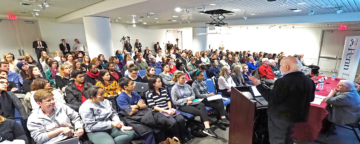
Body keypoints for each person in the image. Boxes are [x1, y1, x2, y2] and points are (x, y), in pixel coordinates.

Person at [249, 57, 315, 144]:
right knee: (288, 139)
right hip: (297, 118)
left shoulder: (283, 81)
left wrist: (258, 85)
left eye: (280, 65)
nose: (279, 68)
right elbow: (311, 98)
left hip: (281, 119)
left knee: (278, 141)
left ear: (287, 67)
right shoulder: (309, 81)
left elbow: (271, 98)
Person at [170, 72, 218, 138]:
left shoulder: (187, 86)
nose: (184, 80)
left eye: (185, 78)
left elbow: (193, 94)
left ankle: (207, 128)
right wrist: (186, 99)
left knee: (201, 105)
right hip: (182, 105)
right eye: (182, 78)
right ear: (177, 79)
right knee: (201, 111)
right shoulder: (174, 88)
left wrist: (191, 98)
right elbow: (175, 102)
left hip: (191, 102)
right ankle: (207, 124)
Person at [117, 78, 161, 144]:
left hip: (141, 115)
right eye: (131, 84)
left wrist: (132, 106)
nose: (134, 85)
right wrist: (138, 106)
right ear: (125, 87)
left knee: (158, 129)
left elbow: (144, 105)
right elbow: (130, 112)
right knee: (148, 132)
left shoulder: (135, 94)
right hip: (130, 119)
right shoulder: (121, 98)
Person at [146, 76, 188, 143]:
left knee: (181, 119)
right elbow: (153, 107)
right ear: (153, 84)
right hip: (159, 112)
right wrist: (166, 111)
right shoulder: (149, 93)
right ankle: (177, 139)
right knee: (173, 123)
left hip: (167, 109)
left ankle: (183, 136)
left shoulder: (163, 90)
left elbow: (168, 100)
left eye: (161, 81)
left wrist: (170, 108)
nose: (161, 83)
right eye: (159, 82)